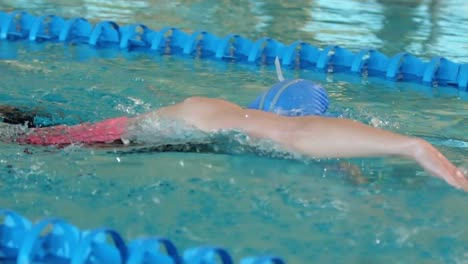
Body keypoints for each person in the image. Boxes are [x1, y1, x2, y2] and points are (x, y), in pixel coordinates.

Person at [0, 94, 467, 191]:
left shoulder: (235, 120)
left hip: (138, 136)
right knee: (24, 140)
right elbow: (299, 136)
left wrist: (356, 176)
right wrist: (413, 147)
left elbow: (311, 145)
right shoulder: (214, 116)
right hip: (95, 138)